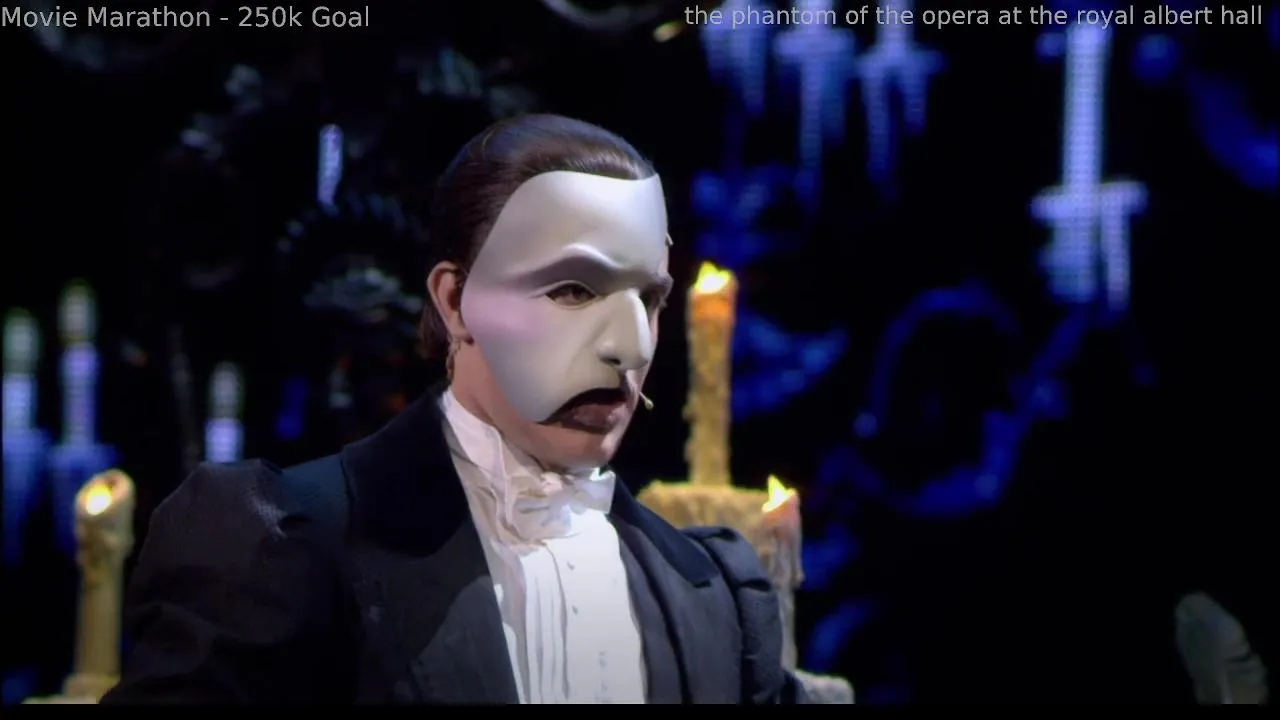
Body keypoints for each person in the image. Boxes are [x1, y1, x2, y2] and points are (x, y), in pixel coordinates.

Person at [102, 114, 806, 704]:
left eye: (648, 300)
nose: (630, 346)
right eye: (573, 291)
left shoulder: (714, 596)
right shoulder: (277, 545)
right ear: (454, 301)